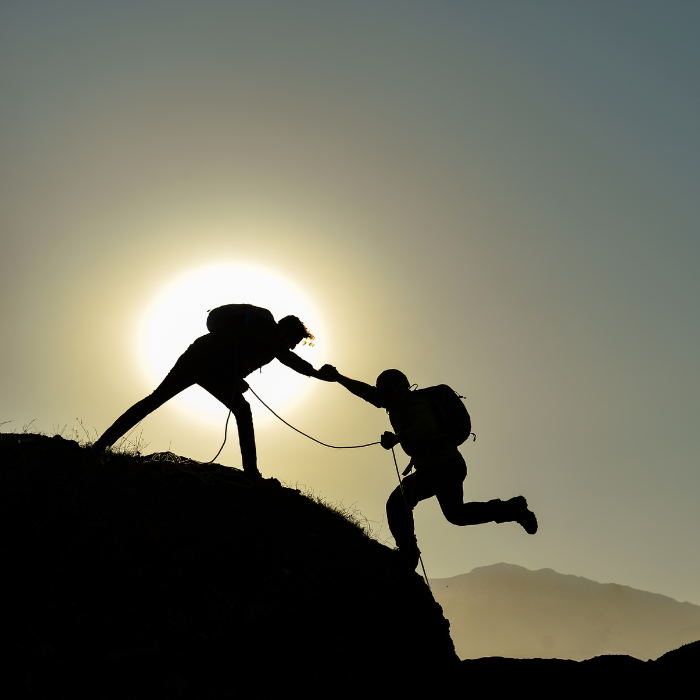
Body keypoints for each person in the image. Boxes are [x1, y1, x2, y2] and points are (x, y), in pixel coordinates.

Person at [320, 365, 538, 569]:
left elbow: (426, 426)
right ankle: (512, 509)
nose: (381, 397)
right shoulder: (395, 403)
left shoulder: (414, 403)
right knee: (457, 515)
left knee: (399, 502)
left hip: (442, 466)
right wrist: (339, 378)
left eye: (384, 392)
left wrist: (398, 438)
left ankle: (408, 554)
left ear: (394, 391)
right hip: (446, 466)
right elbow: (368, 394)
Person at [92, 304, 333, 481]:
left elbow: (288, 360)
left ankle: (99, 447)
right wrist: (316, 373)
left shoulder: (269, 338)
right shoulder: (269, 336)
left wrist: (315, 373)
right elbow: (281, 358)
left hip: (197, 359)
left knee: (154, 401)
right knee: (242, 409)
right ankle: (251, 474)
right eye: (294, 340)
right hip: (205, 365)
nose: (292, 346)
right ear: (286, 331)